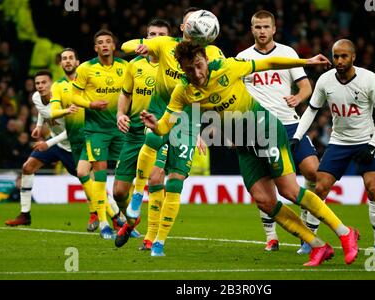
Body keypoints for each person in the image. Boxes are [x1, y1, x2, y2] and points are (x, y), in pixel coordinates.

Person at [140, 40, 360, 266]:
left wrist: (306, 61)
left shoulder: (227, 67)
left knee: (290, 191)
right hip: (243, 144)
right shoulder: (183, 91)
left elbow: (270, 62)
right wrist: (155, 125)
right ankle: (318, 246)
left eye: (199, 65)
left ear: (205, 59)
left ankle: (344, 233)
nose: (196, 73)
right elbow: (166, 125)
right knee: (265, 201)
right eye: (189, 69)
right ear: (182, 68)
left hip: (265, 130)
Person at [116, 8, 224, 256]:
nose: (193, 27)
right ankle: (138, 213)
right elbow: (127, 45)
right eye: (189, 23)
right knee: (154, 177)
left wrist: (208, 125)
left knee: (173, 182)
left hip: (188, 122)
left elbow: (217, 86)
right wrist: (143, 46)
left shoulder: (213, 53)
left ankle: (154, 239)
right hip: (161, 116)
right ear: (183, 28)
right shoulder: (166, 45)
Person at [293, 39, 375, 256]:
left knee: (373, 188)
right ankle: (310, 240)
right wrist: (297, 136)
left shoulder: (369, 79)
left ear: (353, 57)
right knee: (319, 189)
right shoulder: (326, 80)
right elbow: (311, 110)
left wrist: (373, 143)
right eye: (336, 56)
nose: (339, 60)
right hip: (338, 142)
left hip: (365, 141)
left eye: (344, 56)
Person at [237, 10, 320, 253]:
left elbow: (306, 86)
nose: (262, 31)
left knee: (313, 172)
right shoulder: (242, 59)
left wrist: (298, 97)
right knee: (267, 184)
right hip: (258, 127)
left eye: (265, 27)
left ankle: (309, 229)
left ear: (274, 29)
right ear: (251, 30)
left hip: (290, 123)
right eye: (257, 27)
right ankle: (271, 236)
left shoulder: (287, 53)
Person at [50, 48, 120, 232]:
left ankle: (111, 217)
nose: (67, 61)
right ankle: (113, 216)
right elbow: (53, 111)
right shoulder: (57, 86)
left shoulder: (89, 80)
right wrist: (64, 111)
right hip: (75, 139)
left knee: (89, 174)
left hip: (93, 133)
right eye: (64, 59)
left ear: (77, 62)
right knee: (87, 177)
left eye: (70, 58)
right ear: (60, 63)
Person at [115, 19, 172, 242]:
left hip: (161, 130)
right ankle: (132, 221)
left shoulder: (174, 65)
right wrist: (121, 114)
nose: (156, 38)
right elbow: (126, 93)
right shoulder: (134, 65)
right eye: (152, 34)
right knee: (119, 192)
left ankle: (152, 237)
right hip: (135, 132)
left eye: (161, 35)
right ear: (145, 38)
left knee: (156, 180)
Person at [71, 29, 128, 239]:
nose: (104, 45)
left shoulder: (125, 67)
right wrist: (90, 104)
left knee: (125, 176)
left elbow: (133, 91)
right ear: (96, 48)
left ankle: (124, 220)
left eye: (108, 42)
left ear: (114, 46)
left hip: (120, 127)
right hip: (96, 130)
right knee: (100, 171)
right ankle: (104, 223)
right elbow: (73, 96)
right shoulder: (86, 68)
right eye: (100, 43)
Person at [5, 70, 77, 226]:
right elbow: (42, 111)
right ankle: (25, 215)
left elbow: (71, 131)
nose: (40, 86)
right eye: (37, 83)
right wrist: (39, 126)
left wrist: (47, 143)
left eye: (44, 82)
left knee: (90, 181)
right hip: (54, 142)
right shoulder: (36, 97)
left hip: (71, 145)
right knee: (27, 167)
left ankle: (116, 215)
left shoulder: (64, 99)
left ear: (52, 84)